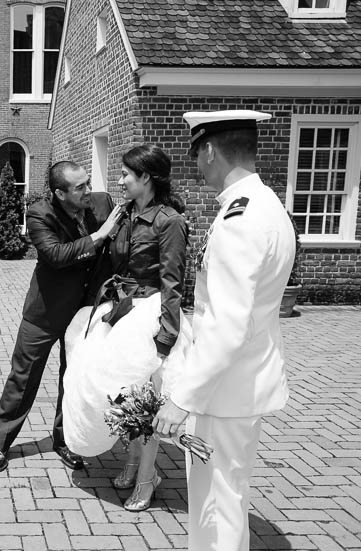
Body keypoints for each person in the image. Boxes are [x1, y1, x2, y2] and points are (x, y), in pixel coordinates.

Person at [153, 110, 296, 550]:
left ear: (211, 150)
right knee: (224, 495)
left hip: (225, 392)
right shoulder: (265, 205)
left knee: (217, 501)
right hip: (240, 384)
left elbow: (227, 325)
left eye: (197, 154)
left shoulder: (240, 220)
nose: (196, 165)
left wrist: (183, 399)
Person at [62, 144, 189, 511]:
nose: (119, 181)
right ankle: (133, 460)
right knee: (120, 397)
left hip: (150, 317)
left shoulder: (170, 222)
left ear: (146, 178)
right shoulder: (125, 215)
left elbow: (173, 285)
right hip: (121, 310)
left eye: (125, 175)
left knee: (144, 404)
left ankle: (148, 477)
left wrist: (165, 337)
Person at [0, 161, 124, 472]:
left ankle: (65, 440)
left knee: (73, 378)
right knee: (23, 378)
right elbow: (55, 255)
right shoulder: (40, 214)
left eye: (88, 183)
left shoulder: (102, 202)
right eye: (80, 188)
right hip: (46, 311)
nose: (88, 191)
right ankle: (1, 442)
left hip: (86, 311)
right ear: (60, 194)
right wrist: (99, 236)